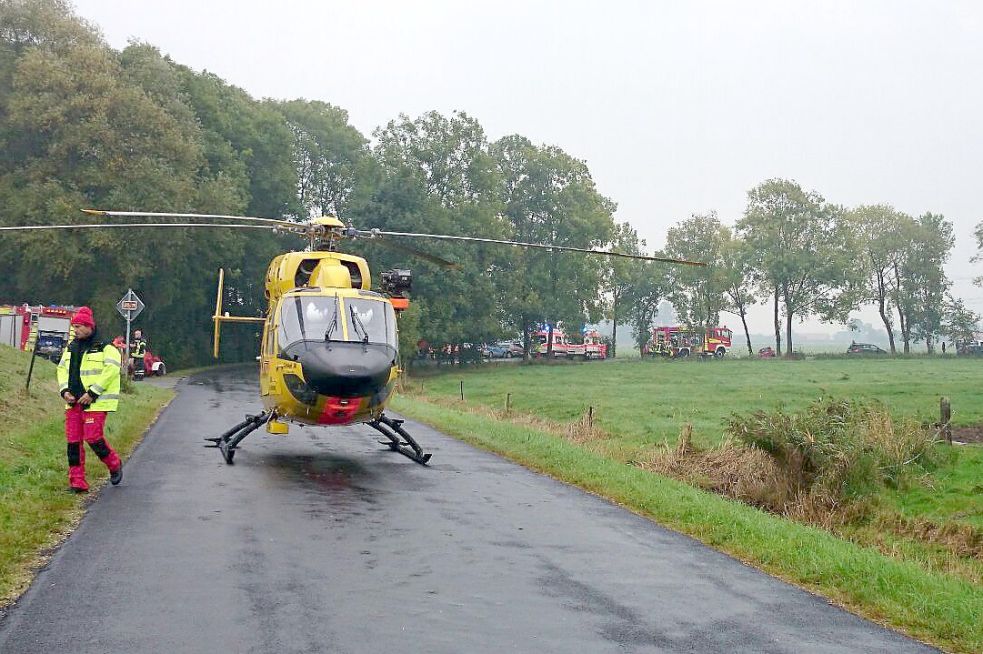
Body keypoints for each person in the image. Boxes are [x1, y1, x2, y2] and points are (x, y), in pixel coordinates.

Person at [56, 307, 123, 492]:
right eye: (74, 327)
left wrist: (93, 393)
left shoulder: (106, 347)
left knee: (93, 437)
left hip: (96, 401)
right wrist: (64, 391)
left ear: (89, 326)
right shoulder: (71, 347)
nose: (75, 330)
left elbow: (111, 371)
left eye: (78, 326)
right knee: (73, 443)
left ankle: (114, 464)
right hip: (73, 402)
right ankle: (77, 482)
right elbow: (61, 369)